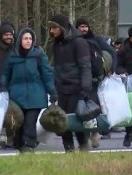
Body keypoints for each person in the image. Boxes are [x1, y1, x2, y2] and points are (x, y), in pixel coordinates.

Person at [1, 27, 57, 153]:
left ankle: (29, 145)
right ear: (20, 40)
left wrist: (52, 91)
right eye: (25, 38)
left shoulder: (39, 56)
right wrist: (3, 86)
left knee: (30, 122)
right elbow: (5, 73)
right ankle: (20, 143)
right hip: (17, 95)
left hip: (35, 95)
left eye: (30, 39)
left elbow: (47, 75)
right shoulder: (13, 56)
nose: (28, 41)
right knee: (19, 121)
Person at [48, 15, 92, 152]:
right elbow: (55, 67)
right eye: (50, 28)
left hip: (76, 89)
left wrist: (85, 88)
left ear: (62, 28)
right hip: (61, 89)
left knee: (77, 122)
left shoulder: (79, 43)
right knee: (62, 122)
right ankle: (69, 150)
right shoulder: (56, 44)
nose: (51, 31)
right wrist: (53, 88)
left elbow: (85, 66)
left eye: (54, 27)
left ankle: (84, 148)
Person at [75, 18, 117, 148]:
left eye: (85, 26)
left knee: (93, 107)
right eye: (81, 26)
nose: (83, 29)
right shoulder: (73, 41)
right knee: (81, 108)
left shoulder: (97, 40)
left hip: (94, 80)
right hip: (78, 80)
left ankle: (94, 133)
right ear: (76, 28)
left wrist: (112, 69)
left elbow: (111, 52)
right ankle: (84, 136)